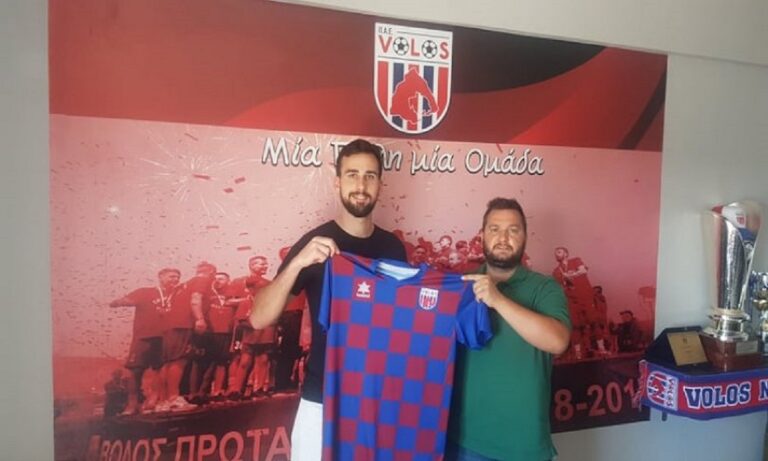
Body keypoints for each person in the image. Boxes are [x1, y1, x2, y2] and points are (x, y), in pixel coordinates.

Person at [249, 138, 406, 460]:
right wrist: (298, 263)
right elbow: (259, 317)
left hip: (377, 400)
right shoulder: (314, 243)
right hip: (321, 398)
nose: (360, 185)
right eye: (352, 175)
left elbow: (405, 324)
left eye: (370, 176)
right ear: (337, 183)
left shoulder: (393, 248)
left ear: (380, 184)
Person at [449, 198, 571, 461]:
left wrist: (498, 299)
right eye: (494, 229)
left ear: (525, 236)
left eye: (513, 230)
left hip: (524, 447)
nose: (503, 238)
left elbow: (558, 341)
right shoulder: (461, 285)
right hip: (465, 443)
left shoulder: (545, 288)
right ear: (482, 235)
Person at [108, 267, 181, 414]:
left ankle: (153, 399)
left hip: (164, 337)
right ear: (161, 277)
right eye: (171, 276)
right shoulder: (146, 292)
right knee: (135, 370)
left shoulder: (177, 295)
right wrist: (119, 302)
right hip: (143, 337)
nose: (175, 280)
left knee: (159, 370)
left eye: (177, 277)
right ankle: (132, 404)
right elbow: (127, 300)